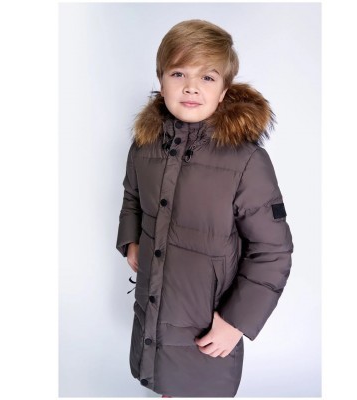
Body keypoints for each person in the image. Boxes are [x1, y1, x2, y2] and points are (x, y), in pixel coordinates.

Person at [116, 19, 294, 398]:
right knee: (163, 384)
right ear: (161, 80)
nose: (191, 86)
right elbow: (132, 196)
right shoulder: (144, 146)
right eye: (178, 73)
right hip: (154, 312)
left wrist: (236, 322)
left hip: (208, 326)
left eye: (207, 77)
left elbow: (272, 251)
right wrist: (131, 240)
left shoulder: (246, 161)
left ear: (224, 90)